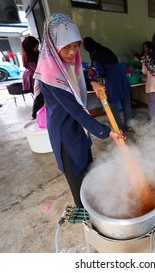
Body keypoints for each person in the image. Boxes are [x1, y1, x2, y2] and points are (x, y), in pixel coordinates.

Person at [33, 13, 125, 208]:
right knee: (75, 169)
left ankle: (93, 199)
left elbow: (77, 76)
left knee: (87, 164)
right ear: (52, 44)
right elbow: (76, 110)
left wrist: (92, 81)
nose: (72, 52)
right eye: (66, 47)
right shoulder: (50, 74)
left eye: (76, 46)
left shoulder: (65, 64)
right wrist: (107, 132)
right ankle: (83, 208)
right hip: (65, 130)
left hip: (79, 125)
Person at [83, 36, 134, 132]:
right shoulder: (106, 50)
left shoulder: (95, 54)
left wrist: (95, 74)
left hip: (112, 81)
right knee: (126, 101)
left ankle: (118, 128)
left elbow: (101, 72)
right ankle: (130, 125)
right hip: (122, 78)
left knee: (112, 104)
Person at [22, 36, 44, 120]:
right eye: (35, 46)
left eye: (37, 45)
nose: (37, 48)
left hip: (39, 75)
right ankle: (34, 116)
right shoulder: (28, 57)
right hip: (33, 77)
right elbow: (37, 69)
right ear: (30, 47)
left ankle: (40, 114)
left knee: (42, 97)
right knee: (39, 97)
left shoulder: (37, 53)